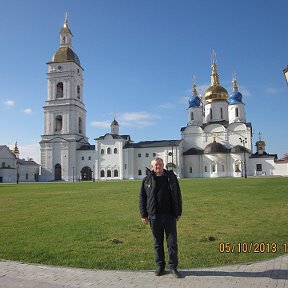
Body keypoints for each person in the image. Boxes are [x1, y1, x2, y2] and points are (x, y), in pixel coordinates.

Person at [139, 157, 182, 278]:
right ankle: (160, 266)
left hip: (170, 216)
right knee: (158, 243)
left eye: (160, 164)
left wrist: (179, 212)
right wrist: (144, 215)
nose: (158, 166)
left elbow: (178, 195)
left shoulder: (171, 178)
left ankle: (173, 267)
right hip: (154, 216)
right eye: (156, 165)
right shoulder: (147, 180)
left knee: (172, 243)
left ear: (163, 165)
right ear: (152, 167)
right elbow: (142, 199)